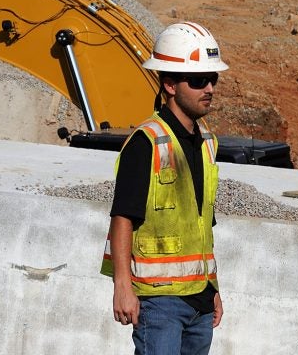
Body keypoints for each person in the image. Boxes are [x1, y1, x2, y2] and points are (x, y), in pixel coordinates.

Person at [100, 21, 228, 355]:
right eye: (199, 80)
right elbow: (123, 217)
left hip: (199, 302)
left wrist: (212, 288)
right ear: (169, 84)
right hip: (159, 302)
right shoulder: (146, 142)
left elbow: (202, 228)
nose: (209, 88)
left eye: (212, 79)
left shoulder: (207, 144)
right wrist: (122, 287)